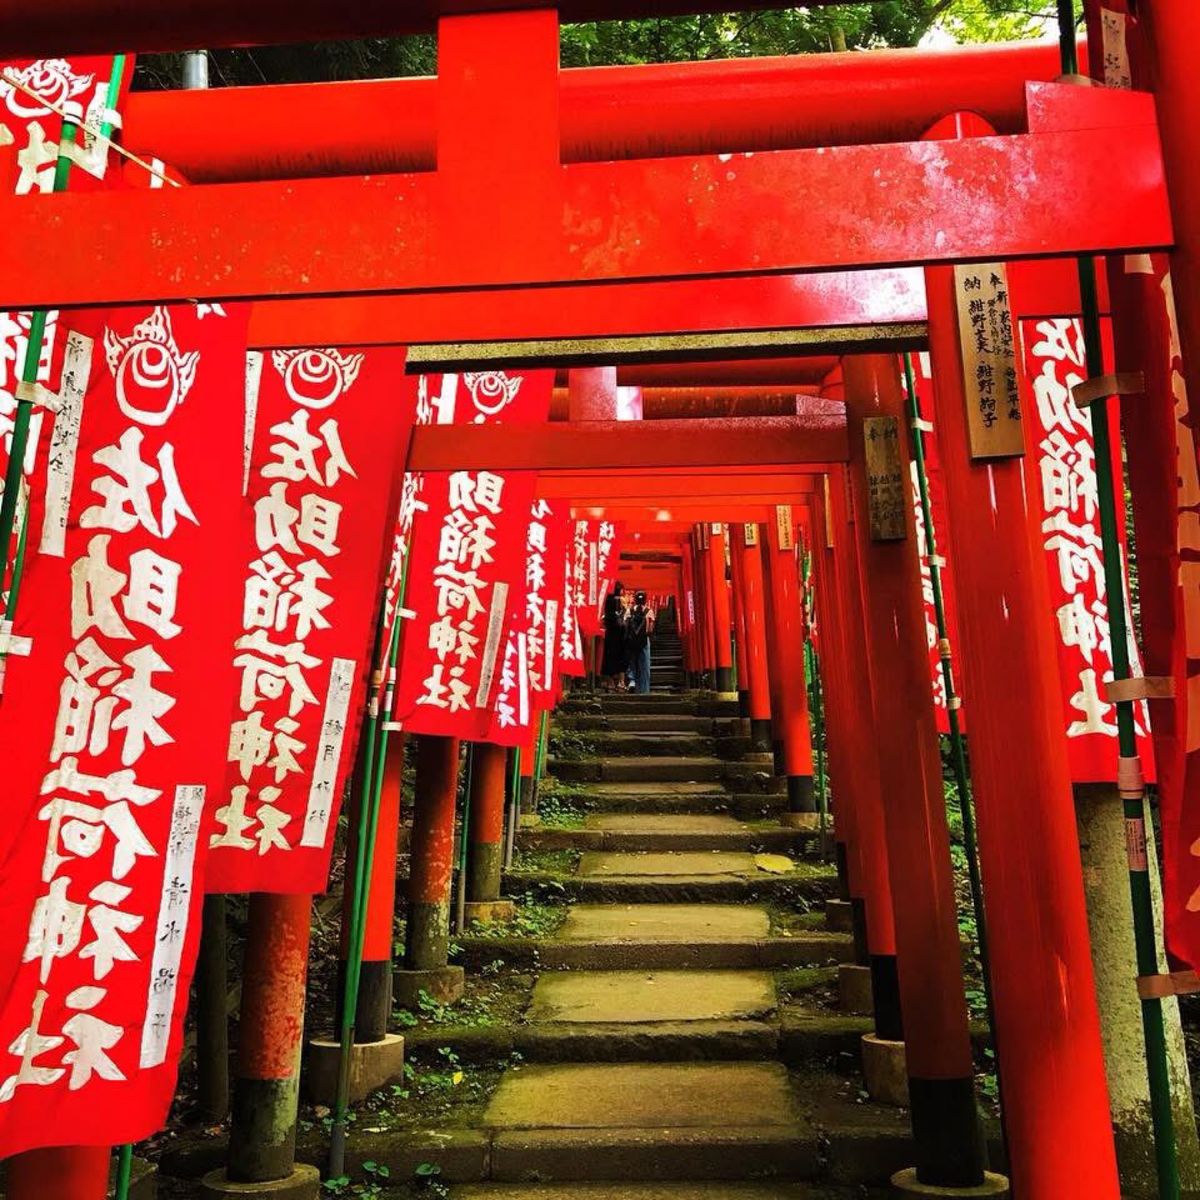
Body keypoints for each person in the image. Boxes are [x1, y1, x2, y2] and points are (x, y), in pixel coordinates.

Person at [625, 590, 655, 694]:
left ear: (635, 599)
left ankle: (633, 683)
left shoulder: (629, 611)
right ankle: (645, 690)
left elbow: (626, 625)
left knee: (633, 663)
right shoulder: (649, 611)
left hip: (632, 641)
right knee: (645, 666)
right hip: (644, 640)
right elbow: (650, 628)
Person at [600, 581, 629, 690]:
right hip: (620, 633)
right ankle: (621, 682)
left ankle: (610, 682)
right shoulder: (620, 600)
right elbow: (625, 615)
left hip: (610, 632)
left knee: (609, 657)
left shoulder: (607, 600)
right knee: (621, 657)